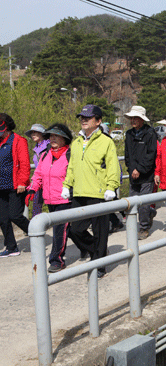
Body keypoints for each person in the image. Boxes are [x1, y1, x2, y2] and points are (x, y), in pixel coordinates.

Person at [62, 105, 120, 278]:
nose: (84, 120)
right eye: (82, 117)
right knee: (75, 230)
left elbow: (112, 167)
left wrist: (111, 187)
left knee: (100, 232)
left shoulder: (106, 141)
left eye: (88, 117)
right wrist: (67, 185)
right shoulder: (77, 142)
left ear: (98, 121)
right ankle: (98, 253)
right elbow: (71, 166)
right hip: (79, 193)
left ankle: (99, 265)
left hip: (98, 193)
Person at [28, 124, 73, 272]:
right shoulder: (46, 155)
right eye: (51, 136)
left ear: (64, 139)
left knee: (60, 230)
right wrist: (32, 189)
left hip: (64, 199)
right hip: (50, 199)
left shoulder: (69, 155)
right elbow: (38, 174)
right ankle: (90, 247)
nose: (52, 139)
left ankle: (56, 260)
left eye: (56, 136)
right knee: (67, 230)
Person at [124, 105, 158, 240]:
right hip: (133, 174)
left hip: (146, 175)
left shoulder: (150, 133)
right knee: (132, 203)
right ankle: (135, 224)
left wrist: (140, 169)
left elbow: (151, 154)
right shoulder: (129, 134)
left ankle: (144, 227)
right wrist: (131, 169)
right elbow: (127, 155)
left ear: (142, 119)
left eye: (136, 118)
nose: (133, 121)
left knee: (143, 204)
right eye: (131, 118)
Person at [0, 113, 30, 258]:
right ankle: (11, 247)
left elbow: (24, 164)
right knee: (2, 219)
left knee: (15, 215)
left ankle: (36, 232)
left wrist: (22, 182)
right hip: (1, 187)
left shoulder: (19, 141)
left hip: (15, 186)